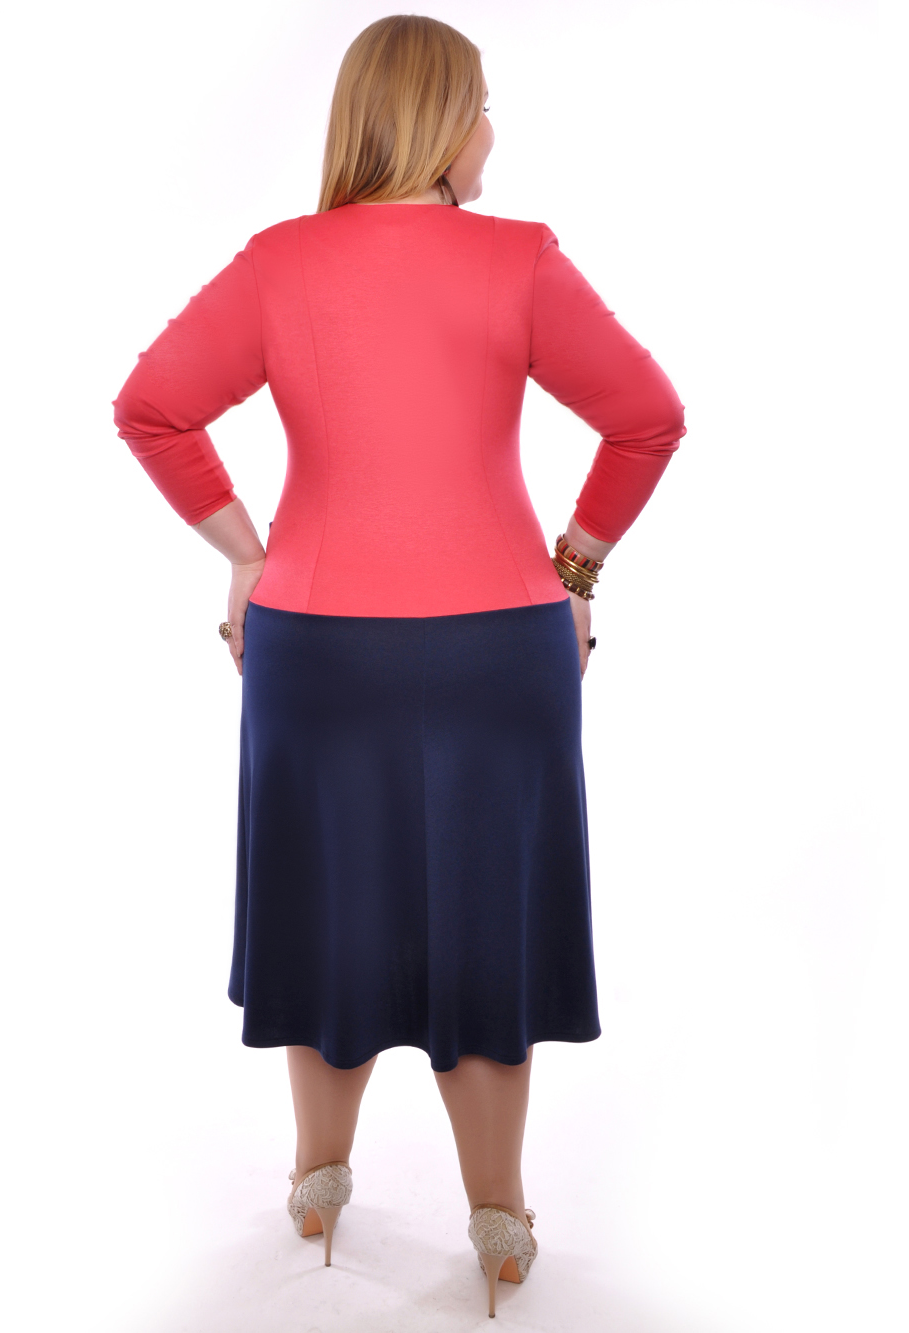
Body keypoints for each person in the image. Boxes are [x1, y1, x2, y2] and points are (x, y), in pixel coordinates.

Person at [113, 13, 685, 1319]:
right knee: (489, 921)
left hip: (318, 647)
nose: (491, 130)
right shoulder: (520, 260)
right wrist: (577, 571)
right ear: (436, 121)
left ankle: (318, 1184)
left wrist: (248, 556)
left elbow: (151, 406)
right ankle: (500, 1218)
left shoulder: (280, 263)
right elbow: (649, 417)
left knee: (327, 903)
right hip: (500, 648)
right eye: (481, 104)